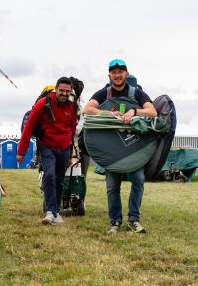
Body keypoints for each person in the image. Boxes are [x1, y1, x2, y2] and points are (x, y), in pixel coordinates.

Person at [82, 59, 157, 234]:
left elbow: (153, 111)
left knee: (138, 180)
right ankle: (115, 222)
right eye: (114, 72)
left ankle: (133, 220)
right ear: (109, 75)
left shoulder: (137, 93)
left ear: (126, 74)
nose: (117, 75)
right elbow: (87, 110)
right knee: (112, 186)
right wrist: (108, 112)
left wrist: (134, 112)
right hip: (113, 149)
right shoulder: (104, 94)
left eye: (120, 72)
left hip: (134, 147)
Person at [17, 77, 77, 224]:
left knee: (60, 180)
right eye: (61, 90)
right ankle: (50, 212)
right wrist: (21, 151)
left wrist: (71, 152)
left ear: (71, 92)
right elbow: (28, 127)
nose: (64, 93)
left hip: (64, 147)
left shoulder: (73, 107)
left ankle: (56, 212)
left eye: (67, 91)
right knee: (49, 176)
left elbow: (72, 129)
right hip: (47, 146)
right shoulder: (42, 104)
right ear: (55, 89)